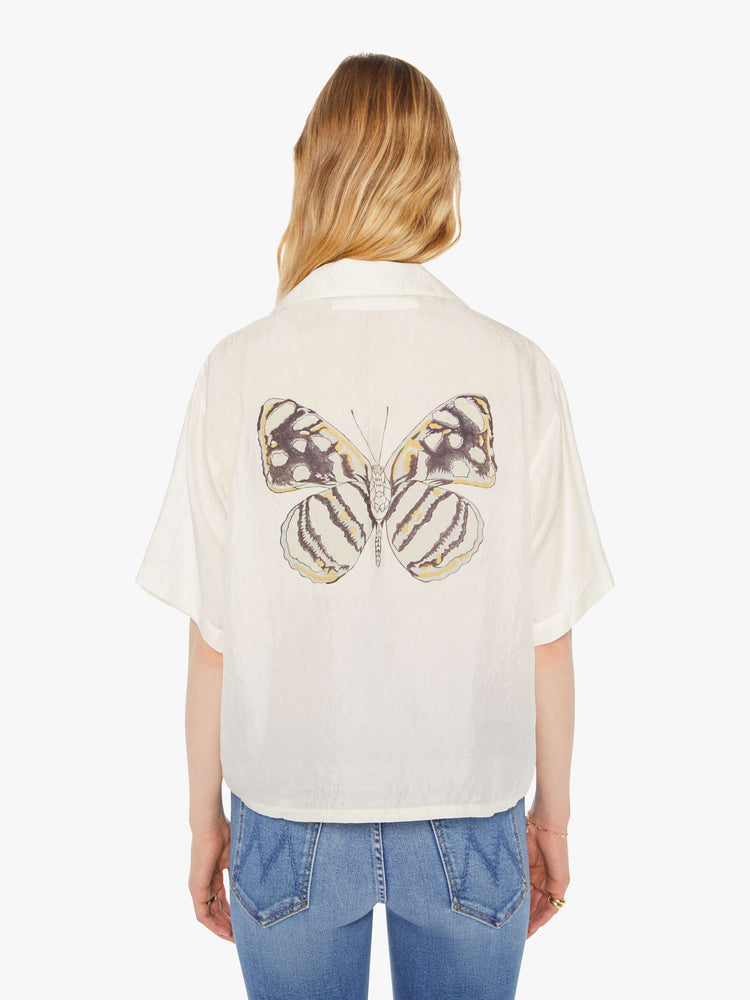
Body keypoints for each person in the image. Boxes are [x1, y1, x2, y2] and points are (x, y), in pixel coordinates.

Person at [135, 53, 615, 1000]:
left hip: (288, 810)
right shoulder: (517, 368)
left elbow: (211, 639)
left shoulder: (238, 369)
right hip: (472, 809)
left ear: (312, 169)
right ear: (440, 176)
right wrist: (555, 819)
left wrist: (203, 822)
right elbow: (549, 635)